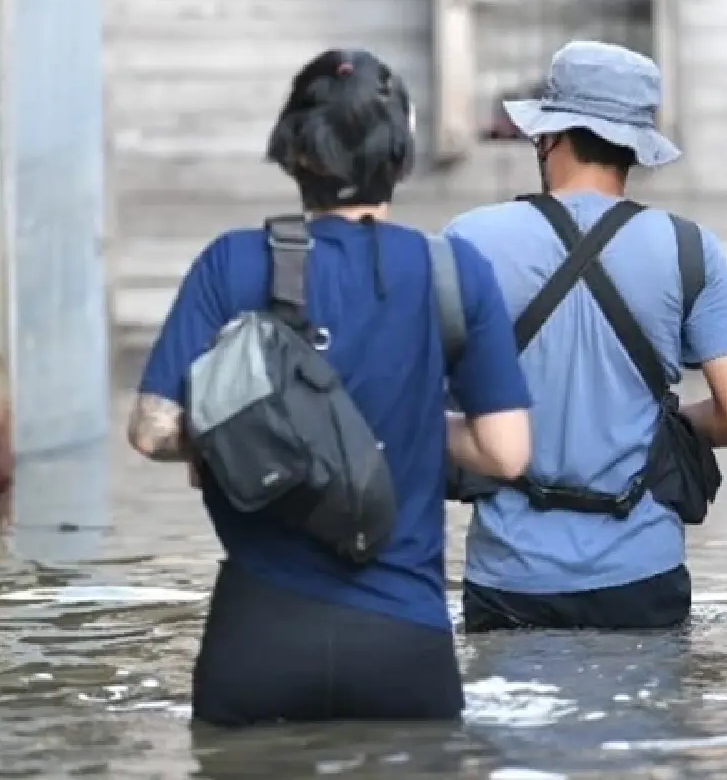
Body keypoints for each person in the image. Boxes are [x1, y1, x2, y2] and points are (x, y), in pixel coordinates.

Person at [128, 48, 532, 726]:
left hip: (256, 637)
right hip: (405, 643)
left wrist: (246, 435)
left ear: (294, 152)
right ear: (400, 158)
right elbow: (506, 453)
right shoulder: (452, 272)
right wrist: (396, 416)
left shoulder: (232, 260)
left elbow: (152, 428)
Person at [445, 40, 727, 633]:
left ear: (549, 135)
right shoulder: (690, 249)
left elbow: (418, 398)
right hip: (643, 573)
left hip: (510, 577)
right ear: (635, 148)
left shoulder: (469, 240)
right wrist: (659, 425)